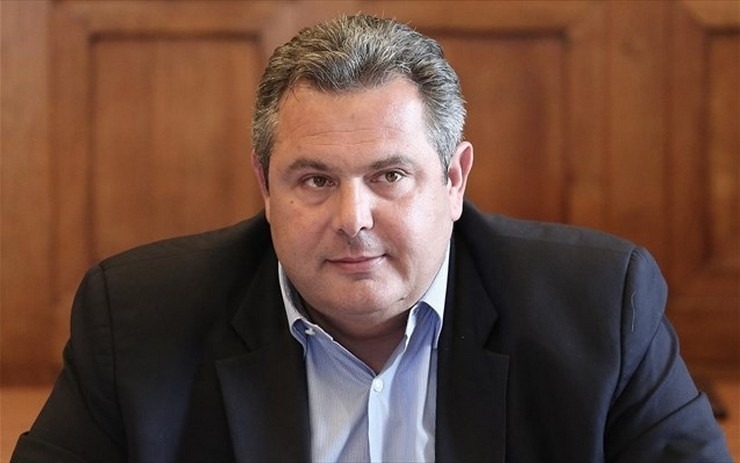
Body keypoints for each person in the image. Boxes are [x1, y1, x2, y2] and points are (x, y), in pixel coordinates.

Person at [11, 13, 731, 463]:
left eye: (390, 175)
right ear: (265, 186)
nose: (353, 217)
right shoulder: (138, 321)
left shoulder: (599, 308)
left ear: (454, 178)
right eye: (314, 180)